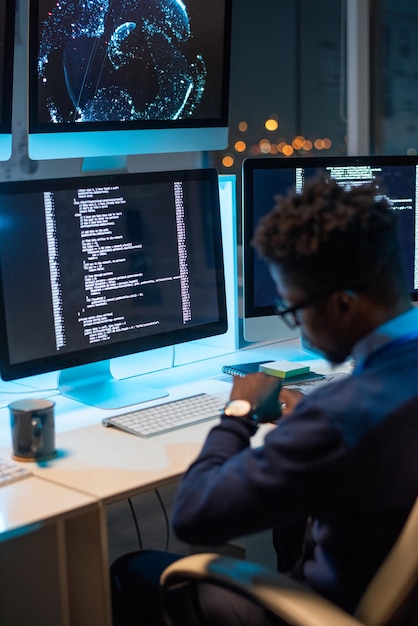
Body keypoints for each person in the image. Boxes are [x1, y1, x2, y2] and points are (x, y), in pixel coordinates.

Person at [110, 174, 418, 625]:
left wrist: (238, 414)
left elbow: (195, 517)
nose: (299, 328)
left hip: (331, 609)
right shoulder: (356, 402)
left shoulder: (337, 419)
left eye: (294, 310)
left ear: (344, 305)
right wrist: (309, 418)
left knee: (133, 570)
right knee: (290, 523)